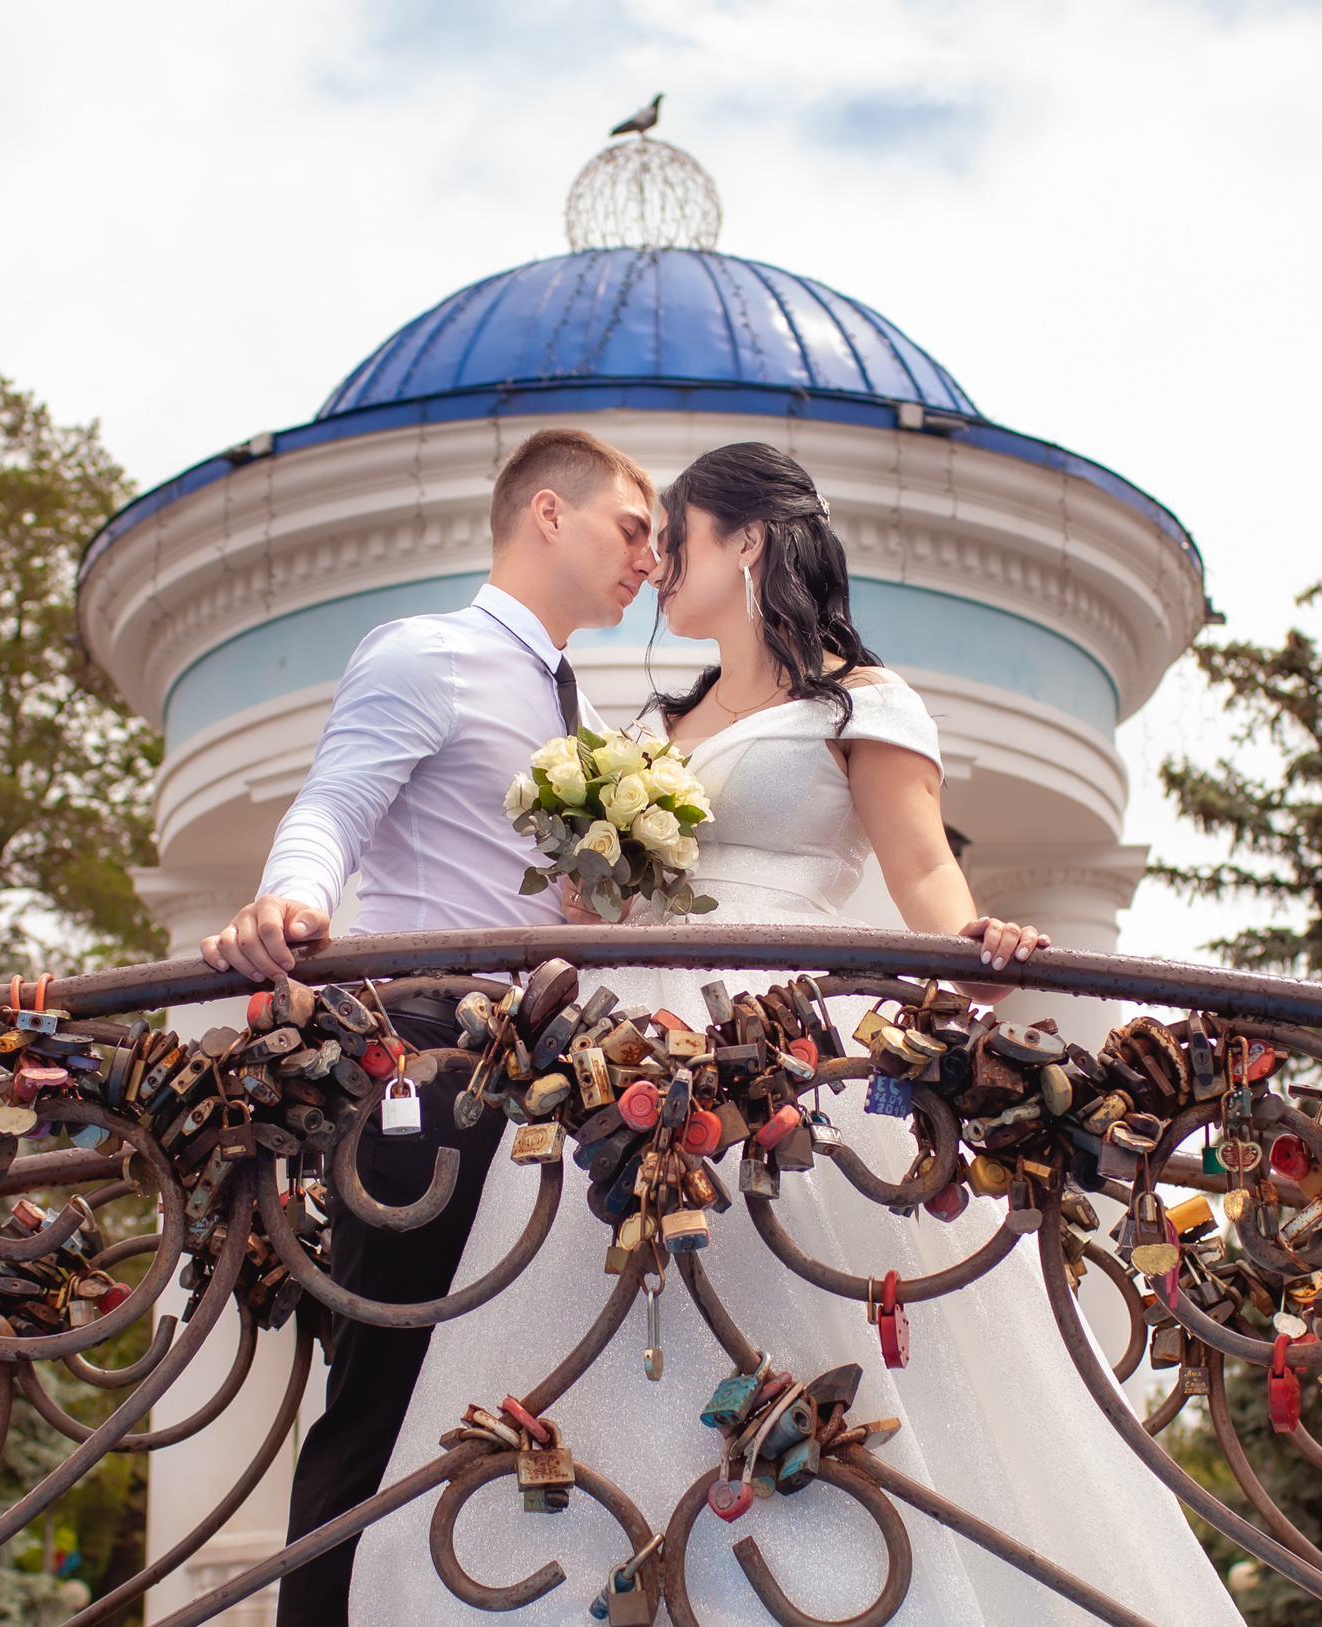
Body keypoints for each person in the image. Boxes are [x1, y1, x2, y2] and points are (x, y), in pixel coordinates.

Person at [352, 443, 1243, 1625]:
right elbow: (612, 904)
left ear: (750, 541)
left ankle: (821, 1568)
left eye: (679, 537)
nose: (658, 565)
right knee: (614, 1296)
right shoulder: (656, 720)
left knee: (801, 1291)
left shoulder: (862, 702)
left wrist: (976, 939)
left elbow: (922, 866)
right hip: (632, 1057)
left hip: (789, 1048)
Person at [199, 426, 659, 1627]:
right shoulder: (430, 653)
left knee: (524, 1383)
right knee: (379, 1393)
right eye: (633, 525)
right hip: (428, 1062)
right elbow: (336, 801)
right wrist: (293, 896)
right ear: (547, 513)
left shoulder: (589, 713)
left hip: (551, 1086)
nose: (650, 559)